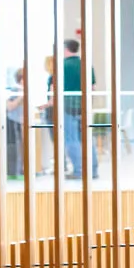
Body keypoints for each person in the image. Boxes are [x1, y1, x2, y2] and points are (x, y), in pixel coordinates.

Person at [60, 39, 88, 178]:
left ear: (66, 49)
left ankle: (78, 171)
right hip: (84, 107)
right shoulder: (86, 64)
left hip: (68, 107)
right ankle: (92, 170)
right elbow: (93, 87)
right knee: (87, 138)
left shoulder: (63, 66)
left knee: (72, 139)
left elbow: (56, 87)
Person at [4, 68, 28, 177]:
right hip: (12, 122)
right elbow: (10, 106)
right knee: (14, 147)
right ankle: (13, 172)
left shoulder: (26, 91)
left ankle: (21, 170)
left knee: (23, 148)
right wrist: (21, 96)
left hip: (22, 123)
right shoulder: (14, 90)